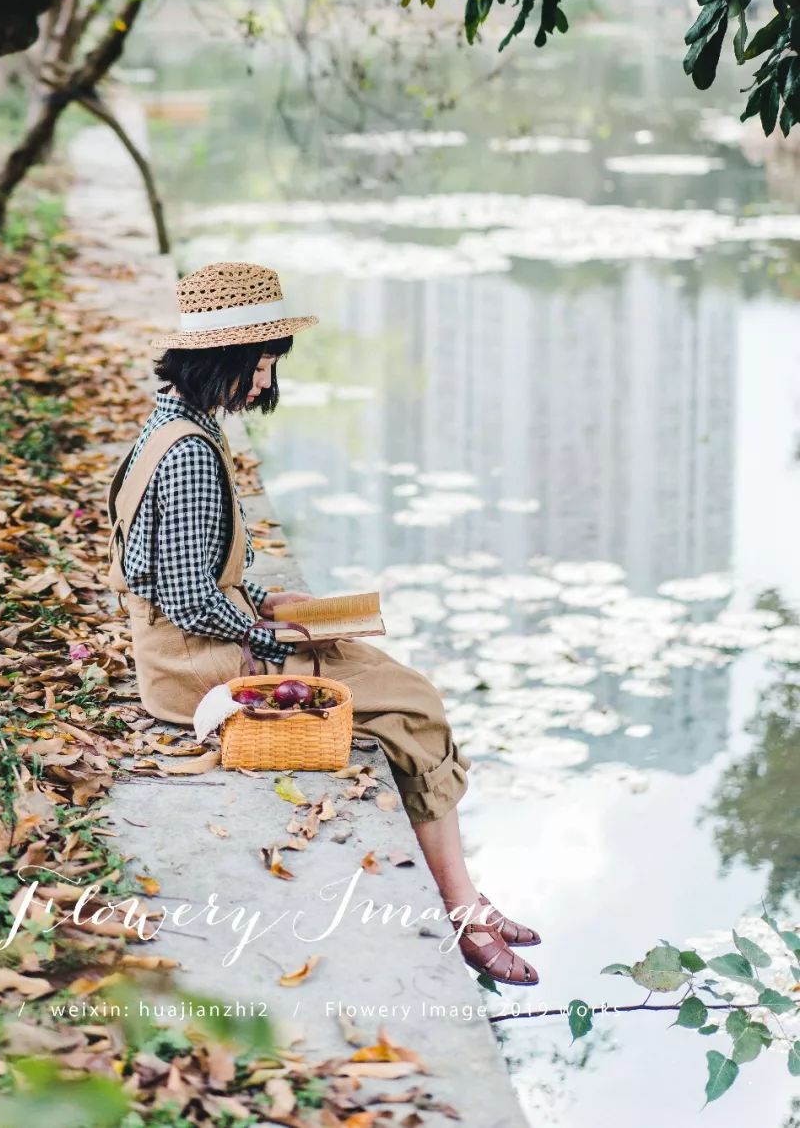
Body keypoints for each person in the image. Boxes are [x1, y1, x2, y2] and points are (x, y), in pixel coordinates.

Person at [106, 260, 540, 985]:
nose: (266, 383)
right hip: (199, 672)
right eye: (262, 364)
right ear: (225, 359)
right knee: (413, 705)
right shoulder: (187, 456)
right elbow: (185, 600)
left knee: (399, 687)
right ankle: (462, 907)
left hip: (201, 647)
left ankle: (463, 891)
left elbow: (181, 575)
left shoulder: (174, 426)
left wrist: (259, 605)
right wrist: (270, 632)